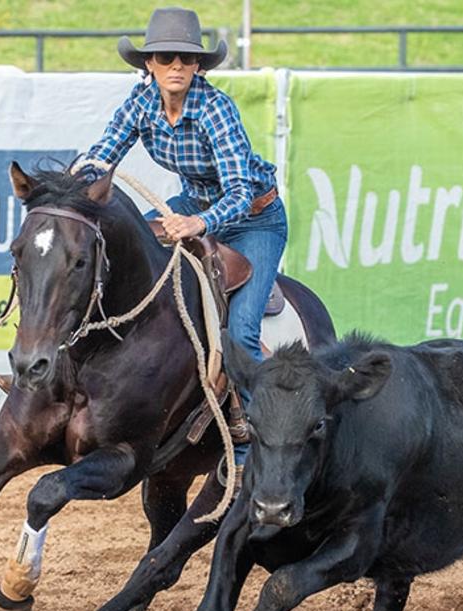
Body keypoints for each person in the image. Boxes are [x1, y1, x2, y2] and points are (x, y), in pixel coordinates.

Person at [83, 6, 287, 491]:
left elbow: (239, 190)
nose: (175, 65)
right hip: (190, 208)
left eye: (186, 58)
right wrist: (73, 182)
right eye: (164, 56)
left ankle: (247, 441)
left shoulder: (216, 109)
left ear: (199, 67)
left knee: (239, 327)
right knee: (140, 272)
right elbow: (102, 154)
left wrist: (198, 222)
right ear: (148, 64)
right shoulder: (140, 103)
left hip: (253, 218)